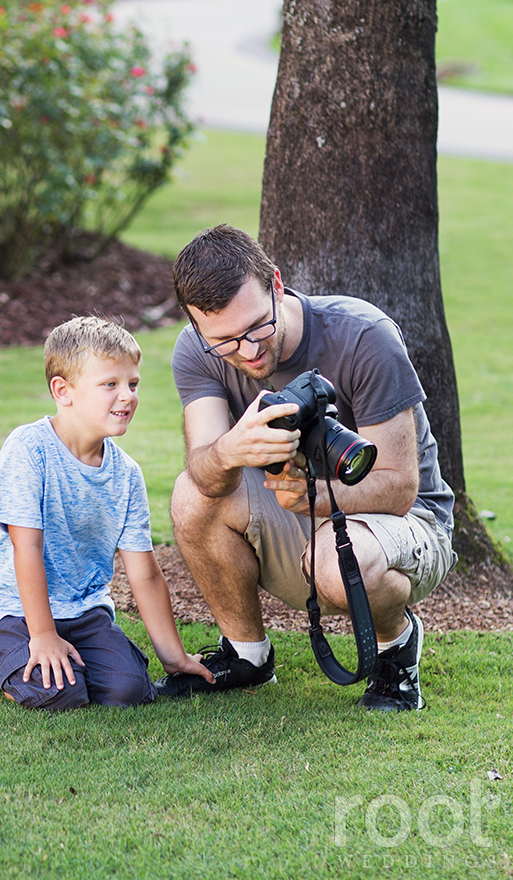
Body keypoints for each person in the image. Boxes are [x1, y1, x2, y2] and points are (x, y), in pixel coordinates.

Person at [158, 224, 456, 712]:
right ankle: (247, 656)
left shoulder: (362, 335)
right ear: (196, 328)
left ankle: (395, 647)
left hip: (406, 521)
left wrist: (313, 497)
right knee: (192, 495)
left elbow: (402, 487)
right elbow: (204, 471)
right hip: (301, 510)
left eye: (257, 327)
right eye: (226, 341)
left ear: (276, 284)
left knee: (338, 564)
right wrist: (231, 449)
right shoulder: (196, 352)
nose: (248, 351)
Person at [0, 316, 213, 710]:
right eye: (110, 384)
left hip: (80, 611)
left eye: (133, 383)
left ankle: (26, 658)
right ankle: (2, 660)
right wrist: (41, 635)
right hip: (8, 608)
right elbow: (25, 547)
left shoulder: (126, 474)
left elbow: (144, 573)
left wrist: (174, 658)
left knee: (130, 691)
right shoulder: (29, 449)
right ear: (63, 391)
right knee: (60, 692)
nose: (126, 396)